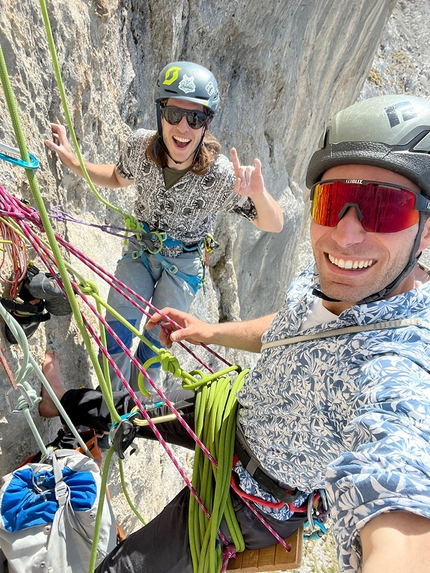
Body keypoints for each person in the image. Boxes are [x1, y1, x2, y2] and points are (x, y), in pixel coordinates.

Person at [39, 94, 430, 573]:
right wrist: (209, 331)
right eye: (333, 203)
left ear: (426, 230)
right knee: (127, 406)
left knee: (124, 568)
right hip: (232, 414)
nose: (348, 234)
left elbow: (400, 481)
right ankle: (59, 403)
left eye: (385, 208)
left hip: (255, 498)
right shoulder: (336, 276)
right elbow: (291, 328)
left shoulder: (400, 361)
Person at [45, 61, 284, 390]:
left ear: (206, 124)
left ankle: (136, 410)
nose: (183, 128)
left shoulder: (219, 175)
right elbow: (118, 176)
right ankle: (109, 407)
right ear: (160, 113)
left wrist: (258, 195)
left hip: (183, 266)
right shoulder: (141, 147)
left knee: (154, 347)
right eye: (174, 115)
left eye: (195, 118)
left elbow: (273, 223)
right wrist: (74, 162)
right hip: (141, 252)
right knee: (116, 330)